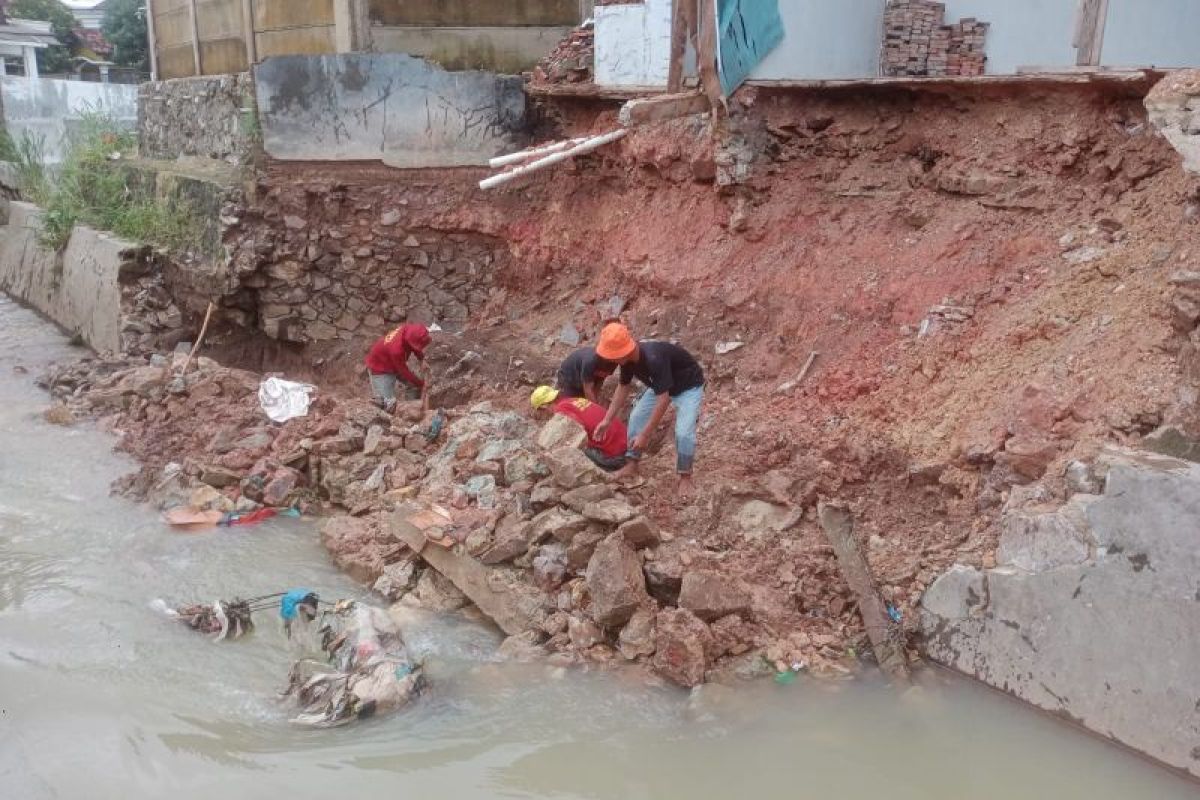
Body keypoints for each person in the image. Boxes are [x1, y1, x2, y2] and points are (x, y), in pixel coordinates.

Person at [594, 323, 704, 496]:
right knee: (636, 417)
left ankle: (685, 477)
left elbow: (664, 399)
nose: (611, 360)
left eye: (612, 356)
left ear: (623, 352)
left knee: (683, 432)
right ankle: (632, 464)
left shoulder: (654, 358)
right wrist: (607, 420)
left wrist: (645, 435)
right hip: (660, 386)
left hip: (688, 386)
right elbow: (623, 387)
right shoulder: (627, 361)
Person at [531, 385, 628, 471]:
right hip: (628, 445)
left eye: (542, 413)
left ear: (544, 407)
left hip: (616, 457)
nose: (546, 416)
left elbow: (578, 435)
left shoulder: (561, 410)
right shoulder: (574, 400)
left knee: (569, 452)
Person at [365, 323, 431, 412]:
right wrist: (421, 383)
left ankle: (410, 409)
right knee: (386, 405)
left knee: (414, 385)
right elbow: (404, 371)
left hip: (393, 362)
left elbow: (415, 346)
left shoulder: (407, 330)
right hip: (379, 369)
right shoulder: (396, 349)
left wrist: (421, 359)